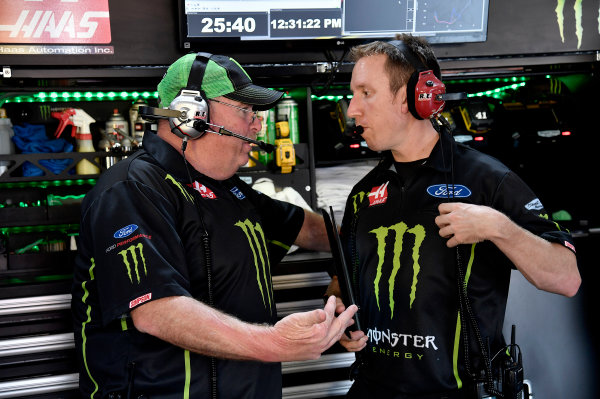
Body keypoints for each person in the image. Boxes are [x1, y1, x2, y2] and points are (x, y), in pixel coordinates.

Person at [71, 52, 358, 399]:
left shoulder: (230, 190)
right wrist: (274, 343)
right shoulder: (131, 190)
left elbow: (313, 231)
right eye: (245, 111)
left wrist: (347, 273)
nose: (257, 125)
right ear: (192, 115)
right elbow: (156, 311)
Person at [328, 34, 581, 398]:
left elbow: (566, 278)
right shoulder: (363, 194)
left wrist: (498, 228)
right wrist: (338, 308)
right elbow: (343, 282)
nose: (352, 109)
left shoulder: (488, 181)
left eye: (365, 93)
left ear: (413, 98)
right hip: (371, 389)